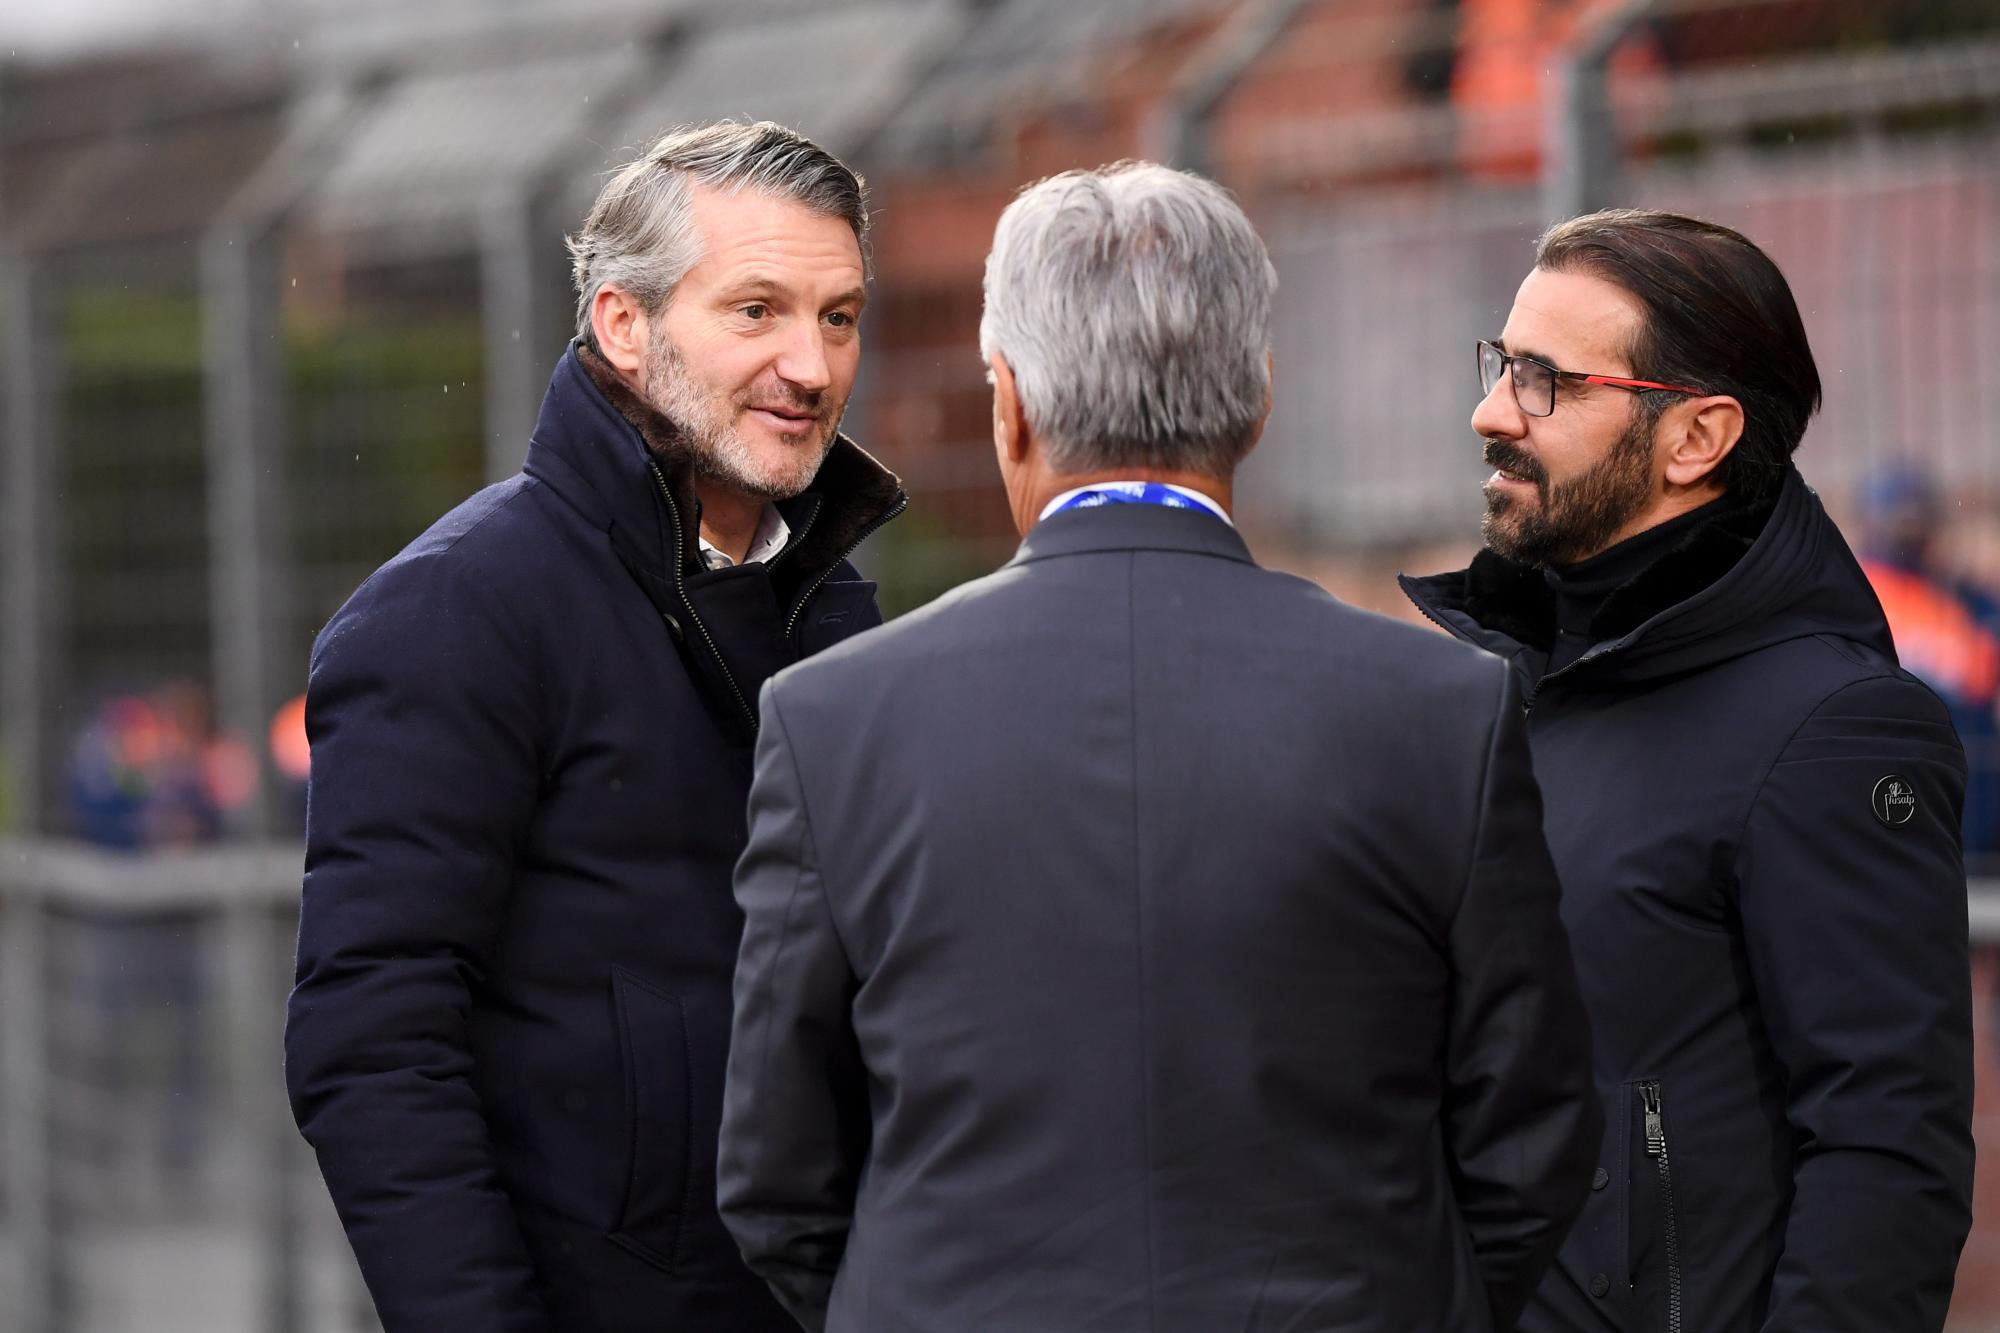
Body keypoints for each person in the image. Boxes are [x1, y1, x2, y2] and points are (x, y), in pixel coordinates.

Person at [717, 162, 1600, 1333]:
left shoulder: (831, 720)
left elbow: (778, 1171)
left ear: (1008, 403)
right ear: (1258, 400)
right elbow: (1529, 1137)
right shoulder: (1440, 706)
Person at [284, 121, 906, 1333]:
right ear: (624, 327)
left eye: (838, 317)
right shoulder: (458, 608)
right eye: (756, 310)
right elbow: (371, 1042)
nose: (811, 364)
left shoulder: (835, 607)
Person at [1402, 208, 1975, 1331]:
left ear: (1695, 438)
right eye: (1498, 365)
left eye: (1542, 381)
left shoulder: (1831, 726)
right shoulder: (1500, 694)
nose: (1487, 412)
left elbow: (1884, 1148)